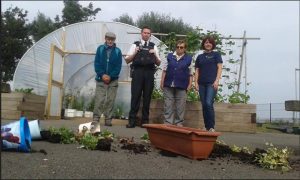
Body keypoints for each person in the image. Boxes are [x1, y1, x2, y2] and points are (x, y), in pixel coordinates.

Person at [125, 26, 161, 128]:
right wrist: (135, 52)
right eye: (144, 32)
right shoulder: (135, 45)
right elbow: (127, 60)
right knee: (135, 96)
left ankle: (145, 122)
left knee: (147, 97)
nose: (146, 34)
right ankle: (132, 121)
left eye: (148, 33)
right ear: (141, 33)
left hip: (149, 73)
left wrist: (154, 55)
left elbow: (158, 63)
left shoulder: (154, 46)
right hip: (138, 72)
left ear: (150, 35)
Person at [91, 32, 123, 133]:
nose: (110, 41)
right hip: (101, 79)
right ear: (105, 39)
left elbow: (118, 66)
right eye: (108, 39)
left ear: (114, 40)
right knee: (99, 99)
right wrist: (102, 75)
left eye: (112, 39)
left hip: (113, 80)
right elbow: (97, 63)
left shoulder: (118, 51)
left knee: (110, 100)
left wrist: (111, 76)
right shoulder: (100, 49)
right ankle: (96, 119)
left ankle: (108, 120)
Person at [160, 40, 193, 127]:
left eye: (181, 47)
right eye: (177, 47)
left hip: (182, 85)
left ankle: (179, 123)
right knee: (168, 105)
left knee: (180, 106)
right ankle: (168, 123)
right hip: (168, 84)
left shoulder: (189, 58)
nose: (179, 49)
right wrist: (162, 82)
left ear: (185, 48)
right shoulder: (169, 56)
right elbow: (164, 70)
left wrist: (190, 84)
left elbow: (190, 73)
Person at [194, 36, 223, 132]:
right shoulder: (199, 57)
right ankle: (206, 127)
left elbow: (219, 68)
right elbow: (197, 71)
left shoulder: (216, 55)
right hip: (201, 84)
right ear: (203, 44)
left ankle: (211, 127)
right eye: (206, 42)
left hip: (211, 83)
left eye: (209, 42)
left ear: (212, 44)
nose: (208, 44)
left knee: (208, 103)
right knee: (204, 105)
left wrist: (217, 81)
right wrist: (196, 83)